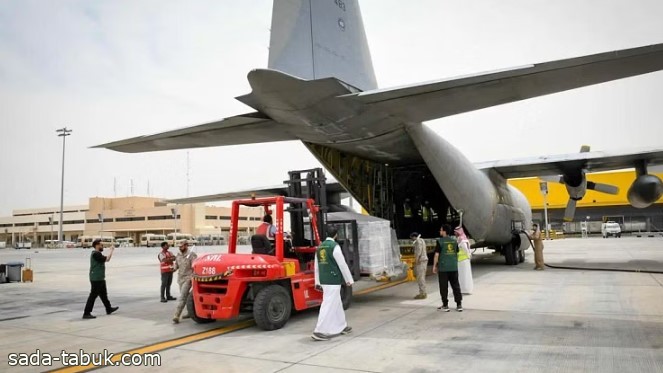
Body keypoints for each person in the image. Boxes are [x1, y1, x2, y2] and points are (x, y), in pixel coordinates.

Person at [311, 226, 354, 341]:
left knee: (337, 303)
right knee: (328, 304)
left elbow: (317, 267)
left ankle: (342, 326)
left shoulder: (320, 247)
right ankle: (319, 330)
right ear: (336, 235)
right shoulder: (334, 247)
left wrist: (317, 282)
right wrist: (348, 279)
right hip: (333, 280)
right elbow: (342, 264)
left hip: (324, 280)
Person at [82, 239, 119, 319]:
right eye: (101, 245)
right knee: (93, 296)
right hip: (96, 279)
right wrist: (111, 250)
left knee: (103, 295)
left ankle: (108, 309)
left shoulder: (97, 253)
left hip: (100, 278)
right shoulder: (96, 254)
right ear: (97, 245)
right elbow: (107, 259)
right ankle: (86, 313)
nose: (102, 246)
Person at [433, 224, 463, 312]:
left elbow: (436, 255)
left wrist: (434, 266)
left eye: (441, 230)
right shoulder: (454, 241)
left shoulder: (440, 241)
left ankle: (445, 305)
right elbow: (456, 252)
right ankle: (459, 304)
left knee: (443, 286)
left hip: (443, 268)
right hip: (453, 267)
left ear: (444, 231)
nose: (440, 231)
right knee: (456, 285)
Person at [172, 240, 198, 324]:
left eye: (182, 246)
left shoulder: (192, 255)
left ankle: (176, 315)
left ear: (186, 246)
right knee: (186, 297)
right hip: (180, 279)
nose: (180, 248)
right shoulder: (178, 255)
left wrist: (192, 277)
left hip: (188, 278)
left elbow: (195, 267)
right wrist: (173, 268)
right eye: (179, 246)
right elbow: (176, 264)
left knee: (182, 297)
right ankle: (189, 312)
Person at [454, 226, 473, 295]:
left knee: (464, 275)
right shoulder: (462, 239)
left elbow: (466, 249)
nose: (454, 233)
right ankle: (464, 289)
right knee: (463, 275)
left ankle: (465, 289)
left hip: (463, 260)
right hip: (462, 260)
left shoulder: (462, 240)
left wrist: (468, 256)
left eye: (456, 232)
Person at [410, 232, 428, 299]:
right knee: (422, 277)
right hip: (424, 260)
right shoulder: (422, 240)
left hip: (421, 261)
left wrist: (416, 260)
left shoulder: (418, 242)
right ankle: (423, 292)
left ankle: (422, 293)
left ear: (414, 237)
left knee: (420, 278)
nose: (412, 240)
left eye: (412, 238)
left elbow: (418, 252)